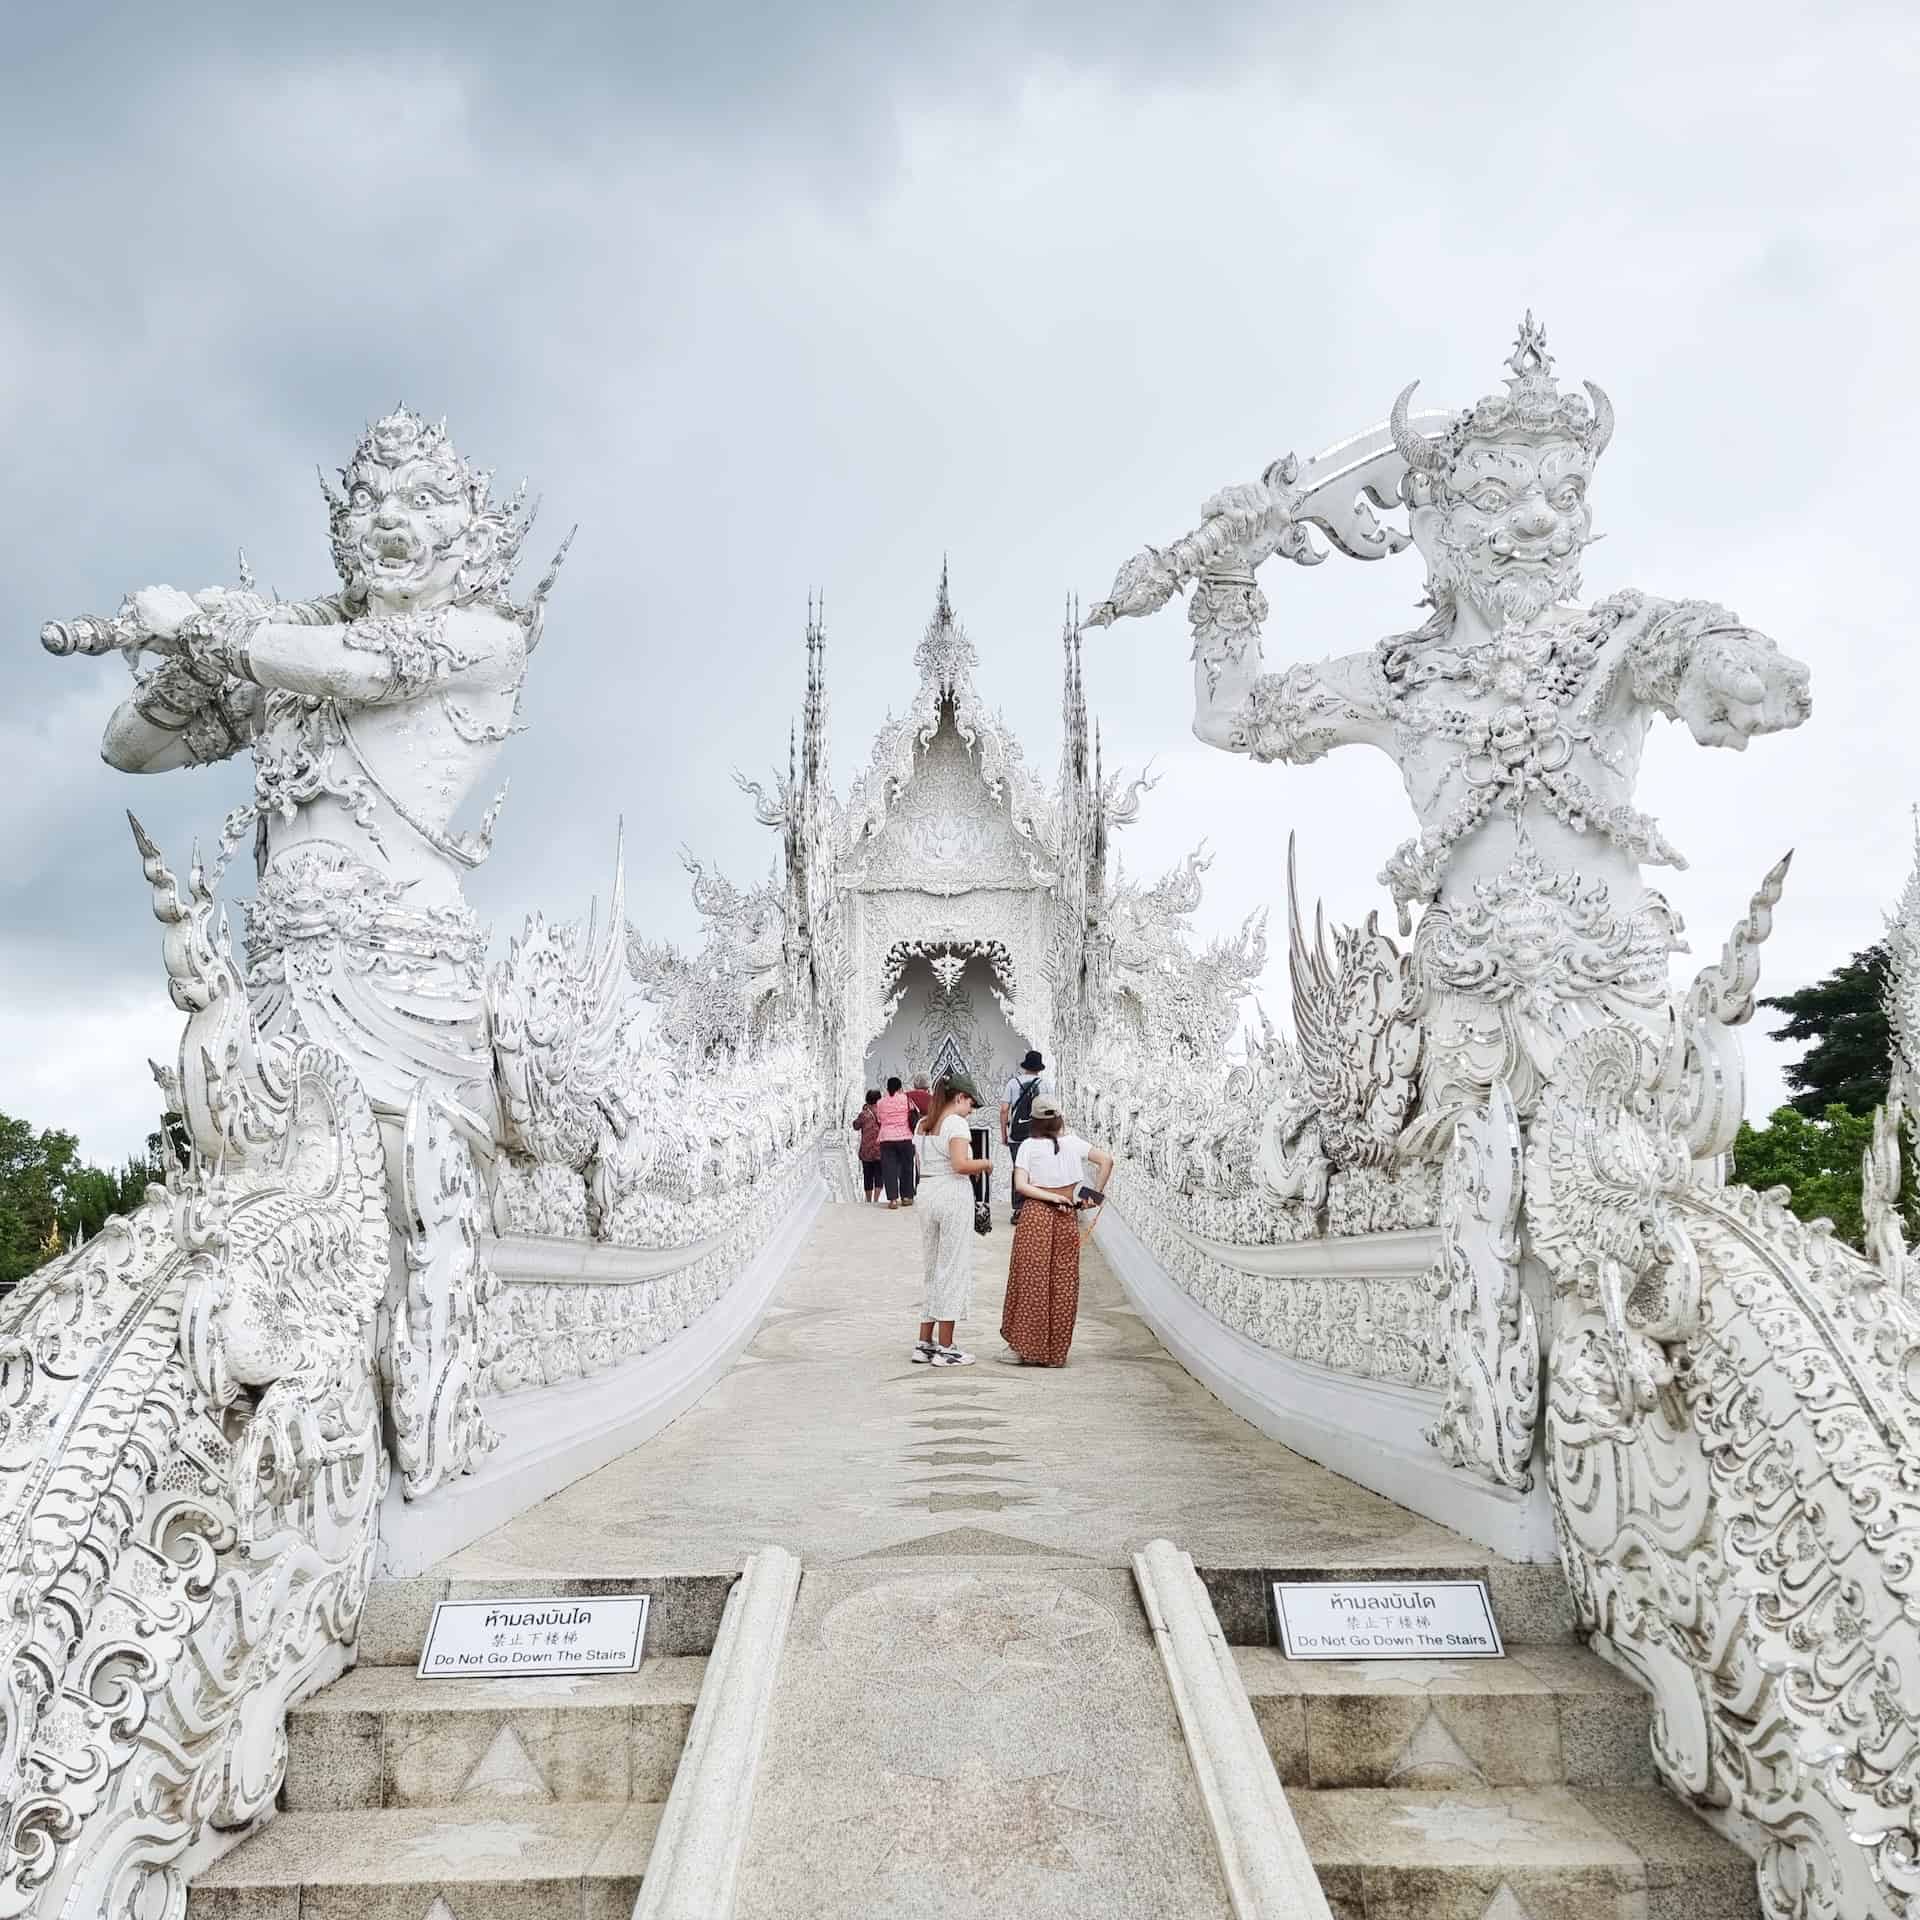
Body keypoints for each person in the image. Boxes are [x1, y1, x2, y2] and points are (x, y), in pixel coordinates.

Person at [1004, 1097, 1114, 1367]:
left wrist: (1048, 1197)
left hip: (1036, 1215)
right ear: (1059, 1119)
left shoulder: (1028, 1146)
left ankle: (1028, 1348)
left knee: (1031, 1281)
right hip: (1066, 1216)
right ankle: (1055, 1353)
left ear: (1035, 1121)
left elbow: (1021, 1185)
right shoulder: (1073, 1143)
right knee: (1063, 1283)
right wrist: (1094, 1195)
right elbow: (1107, 1161)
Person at [912, 1077, 993, 1366]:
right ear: (959, 1097)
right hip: (951, 1193)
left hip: (927, 1191)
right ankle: (947, 1347)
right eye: (971, 1103)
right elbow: (960, 1165)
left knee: (933, 1267)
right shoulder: (955, 1124)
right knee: (952, 1267)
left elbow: (923, 1164)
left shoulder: (923, 1124)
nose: (971, 1111)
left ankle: (925, 1342)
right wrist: (985, 1163)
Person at [999, 1050, 1053, 1221]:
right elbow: (1050, 1111)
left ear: (1025, 1066)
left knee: (1018, 1168)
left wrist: (1004, 1134)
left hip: (1017, 1135)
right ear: (1039, 1068)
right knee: (1038, 1169)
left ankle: (1019, 1209)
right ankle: (1037, 1208)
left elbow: (1004, 1110)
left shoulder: (1012, 1084)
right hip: (1039, 1134)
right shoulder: (1045, 1085)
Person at [876, 1076, 915, 1208]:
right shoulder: (906, 1099)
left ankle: (893, 1200)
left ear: (887, 1088)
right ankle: (906, 1197)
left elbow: (880, 1120)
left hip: (886, 1138)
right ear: (900, 1087)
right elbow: (912, 1115)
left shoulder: (880, 1102)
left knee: (889, 1169)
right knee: (906, 1168)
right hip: (905, 1137)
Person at [851, 1089, 884, 1203]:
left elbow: (855, 1126)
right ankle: (876, 1199)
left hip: (867, 1150)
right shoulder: (883, 1113)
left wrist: (863, 1110)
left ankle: (868, 1200)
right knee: (879, 1175)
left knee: (868, 1176)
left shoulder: (864, 1114)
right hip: (880, 1149)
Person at [904, 1074, 932, 1199]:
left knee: (908, 1163)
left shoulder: (906, 1096)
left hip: (908, 1133)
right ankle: (921, 1188)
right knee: (922, 1162)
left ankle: (909, 1193)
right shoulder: (932, 1099)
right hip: (925, 1134)